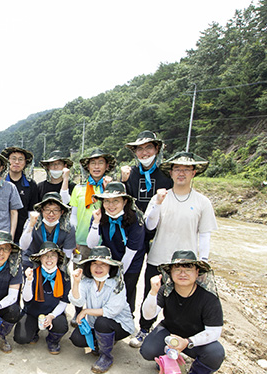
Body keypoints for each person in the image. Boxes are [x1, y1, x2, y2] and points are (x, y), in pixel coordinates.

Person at [133, 152, 218, 347]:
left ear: (194, 173)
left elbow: (204, 234)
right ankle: (144, 329)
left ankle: (182, 339)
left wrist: (203, 262)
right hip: (159, 258)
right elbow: (150, 226)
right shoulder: (161, 197)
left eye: (186, 169)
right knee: (152, 294)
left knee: (184, 300)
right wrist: (156, 204)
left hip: (187, 264)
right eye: (177, 169)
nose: (181, 173)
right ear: (170, 173)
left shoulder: (202, 202)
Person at [139, 250, 225, 374]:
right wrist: (153, 292)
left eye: (188, 269)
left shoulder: (209, 298)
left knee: (215, 354)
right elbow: (148, 315)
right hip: (170, 332)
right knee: (148, 350)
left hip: (196, 339)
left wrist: (187, 342)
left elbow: (215, 331)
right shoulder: (166, 290)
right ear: (170, 272)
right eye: (177, 269)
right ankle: (166, 358)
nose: (182, 273)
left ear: (197, 272)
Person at [118, 131, 174, 348]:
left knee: (155, 282)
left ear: (157, 149)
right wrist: (122, 181)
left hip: (159, 236)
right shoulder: (128, 174)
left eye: (148, 148)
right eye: (139, 149)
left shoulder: (166, 177)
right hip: (133, 234)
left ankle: (146, 327)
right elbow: (120, 201)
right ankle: (125, 317)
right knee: (130, 278)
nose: (144, 152)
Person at [68, 247, 135, 374]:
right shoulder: (86, 282)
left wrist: (86, 311)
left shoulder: (117, 283)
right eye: (94, 264)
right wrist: (76, 283)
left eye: (103, 264)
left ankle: (106, 356)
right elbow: (78, 301)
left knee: (102, 322)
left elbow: (111, 311)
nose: (98, 268)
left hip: (119, 325)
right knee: (76, 338)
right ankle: (103, 341)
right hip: (96, 324)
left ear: (110, 267)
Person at [86, 182, 146, 314]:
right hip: (110, 256)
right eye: (107, 201)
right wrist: (96, 222)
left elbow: (131, 252)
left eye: (116, 201)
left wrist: (118, 274)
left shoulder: (136, 218)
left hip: (132, 258)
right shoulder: (100, 215)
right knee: (108, 288)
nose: (111, 205)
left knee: (127, 287)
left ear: (125, 202)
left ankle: (127, 318)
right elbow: (91, 244)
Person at [14, 242, 71, 354]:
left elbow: (64, 301)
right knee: (21, 338)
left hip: (53, 313)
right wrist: (29, 281)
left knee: (61, 326)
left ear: (58, 258)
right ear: (40, 258)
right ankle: (34, 332)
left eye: (53, 255)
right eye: (45, 255)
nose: (49, 259)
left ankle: (52, 340)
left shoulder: (64, 276)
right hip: (32, 312)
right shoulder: (33, 273)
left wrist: (51, 316)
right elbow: (27, 299)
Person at [70, 148, 115, 259]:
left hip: (106, 241)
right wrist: (73, 238)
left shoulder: (112, 188)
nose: (96, 167)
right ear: (88, 166)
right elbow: (73, 215)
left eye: (101, 163)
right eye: (93, 163)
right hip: (82, 241)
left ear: (107, 166)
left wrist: (107, 189)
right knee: (80, 274)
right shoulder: (79, 188)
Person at [19, 192, 76, 266]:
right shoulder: (32, 221)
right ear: (42, 210)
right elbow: (23, 246)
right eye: (47, 209)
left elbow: (67, 256)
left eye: (55, 210)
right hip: (31, 261)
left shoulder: (69, 228)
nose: (51, 214)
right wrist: (30, 226)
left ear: (61, 212)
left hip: (55, 263)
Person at [1, 146, 39, 243]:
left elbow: (32, 212)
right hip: (0, 233)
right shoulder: (0, 183)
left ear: (25, 163)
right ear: (7, 161)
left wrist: (29, 232)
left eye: (20, 159)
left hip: (22, 235)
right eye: (13, 159)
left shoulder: (31, 185)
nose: (16, 162)